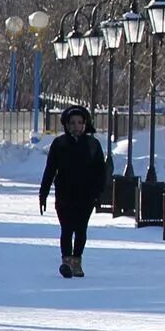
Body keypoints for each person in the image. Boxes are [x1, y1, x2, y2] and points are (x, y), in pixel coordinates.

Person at [37, 107, 108, 278]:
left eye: (79, 123)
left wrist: (99, 193)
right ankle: (66, 262)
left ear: (85, 124)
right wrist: (43, 193)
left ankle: (77, 261)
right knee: (66, 228)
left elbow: (101, 171)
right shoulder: (60, 144)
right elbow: (50, 170)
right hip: (64, 194)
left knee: (81, 229)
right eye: (72, 123)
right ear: (66, 125)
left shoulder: (93, 145)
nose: (76, 126)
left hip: (86, 195)